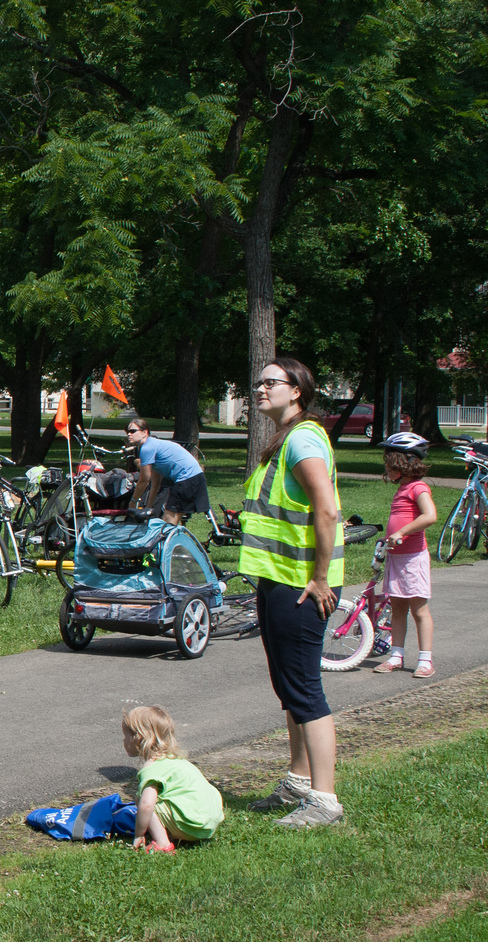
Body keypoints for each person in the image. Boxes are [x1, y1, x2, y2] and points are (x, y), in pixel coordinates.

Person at [240, 358, 346, 829]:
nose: (259, 389)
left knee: (304, 689)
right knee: (288, 687)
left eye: (270, 383)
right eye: (258, 382)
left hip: (302, 585)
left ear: (297, 391)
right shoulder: (284, 438)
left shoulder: (302, 438)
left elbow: (326, 510)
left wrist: (320, 578)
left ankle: (325, 800)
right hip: (278, 580)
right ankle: (299, 782)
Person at [373, 431, 436, 678]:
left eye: (389, 462)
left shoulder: (418, 487)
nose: (386, 467)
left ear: (404, 463)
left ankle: (425, 660)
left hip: (413, 558)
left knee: (418, 609)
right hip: (396, 558)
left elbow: (429, 515)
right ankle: (396, 655)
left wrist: (402, 532)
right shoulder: (402, 488)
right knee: (397, 608)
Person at [120, 705, 224, 852]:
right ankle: (172, 831)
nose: (123, 741)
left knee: (141, 799)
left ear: (138, 739)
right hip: (209, 823)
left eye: (125, 736)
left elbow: (146, 805)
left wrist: (138, 834)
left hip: (193, 826)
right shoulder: (177, 761)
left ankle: (162, 842)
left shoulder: (152, 767)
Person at [126, 418, 208, 524]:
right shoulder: (155, 445)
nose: (129, 434)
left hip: (187, 479)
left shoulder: (147, 448)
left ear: (144, 432)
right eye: (127, 431)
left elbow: (144, 480)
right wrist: (149, 508)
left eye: (133, 431)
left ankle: (173, 539)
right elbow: (155, 484)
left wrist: (133, 501)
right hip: (195, 478)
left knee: (167, 525)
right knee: (169, 524)